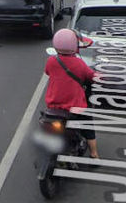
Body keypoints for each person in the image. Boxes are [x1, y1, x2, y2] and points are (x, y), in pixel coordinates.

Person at [44, 29, 100, 159]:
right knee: (88, 126)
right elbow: (91, 76)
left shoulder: (51, 61)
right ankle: (94, 154)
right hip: (75, 107)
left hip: (54, 106)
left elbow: (47, 72)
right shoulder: (79, 64)